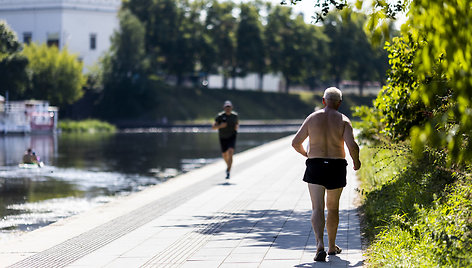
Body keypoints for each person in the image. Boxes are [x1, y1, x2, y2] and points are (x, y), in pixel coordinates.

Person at [292, 87, 361, 262]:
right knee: (333, 208)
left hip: (315, 165)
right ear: (340, 103)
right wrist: (356, 162)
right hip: (336, 166)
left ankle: (319, 245)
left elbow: (295, 142)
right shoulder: (343, 120)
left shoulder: (312, 118)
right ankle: (331, 246)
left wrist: (306, 155)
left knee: (317, 207)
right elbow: (352, 145)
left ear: (323, 101)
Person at [212, 100, 239, 179]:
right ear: (224, 108)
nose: (228, 109)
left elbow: (237, 124)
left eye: (229, 107)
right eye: (226, 107)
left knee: (230, 152)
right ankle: (228, 165)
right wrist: (220, 126)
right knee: (224, 154)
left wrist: (236, 127)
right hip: (223, 137)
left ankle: (228, 170)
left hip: (232, 136)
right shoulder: (220, 116)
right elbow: (213, 127)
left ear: (231, 108)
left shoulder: (235, 116)